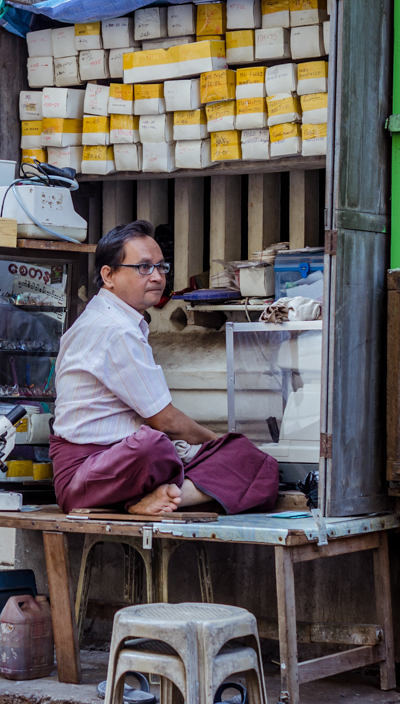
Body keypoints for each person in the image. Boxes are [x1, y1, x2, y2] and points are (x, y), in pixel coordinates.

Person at [49, 220, 279, 516]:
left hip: (131, 471)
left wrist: (223, 447)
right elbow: (165, 421)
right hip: (88, 478)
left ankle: (166, 497)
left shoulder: (120, 319)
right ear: (109, 275)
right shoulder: (113, 329)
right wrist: (215, 442)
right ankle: (154, 499)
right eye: (144, 267)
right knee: (155, 444)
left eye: (161, 267)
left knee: (253, 461)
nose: (157, 277)